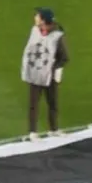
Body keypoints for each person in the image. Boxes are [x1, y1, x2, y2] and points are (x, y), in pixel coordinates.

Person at [20, 8, 68, 141]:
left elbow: (64, 57)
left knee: (52, 102)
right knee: (33, 103)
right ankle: (32, 132)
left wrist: (51, 69)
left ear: (43, 20)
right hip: (35, 74)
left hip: (50, 76)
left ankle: (53, 129)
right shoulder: (34, 31)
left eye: (37, 16)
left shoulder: (57, 36)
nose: (35, 17)